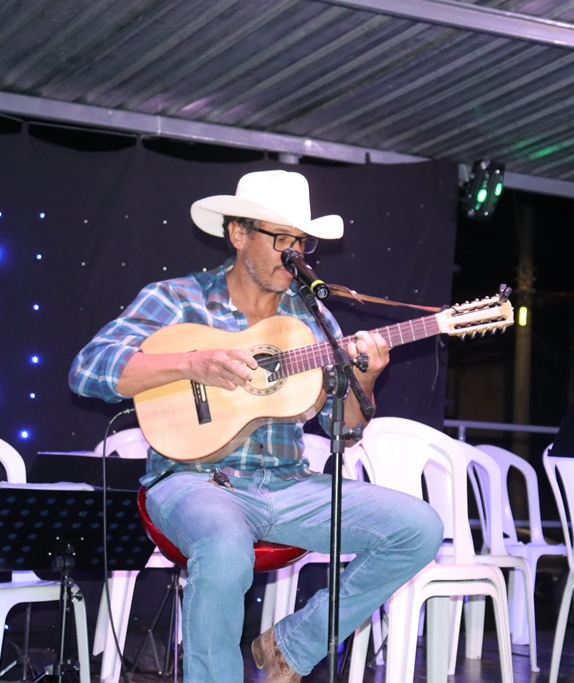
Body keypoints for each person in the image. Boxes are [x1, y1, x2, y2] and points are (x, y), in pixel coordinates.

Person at [69, 170, 444, 683]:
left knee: (418, 527)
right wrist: (191, 364)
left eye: (301, 242)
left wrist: (366, 377)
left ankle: (292, 644)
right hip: (193, 480)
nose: (294, 253)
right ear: (238, 233)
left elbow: (344, 429)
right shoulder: (178, 298)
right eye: (280, 238)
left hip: (289, 485)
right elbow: (88, 370)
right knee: (224, 546)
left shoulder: (315, 322)